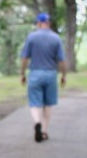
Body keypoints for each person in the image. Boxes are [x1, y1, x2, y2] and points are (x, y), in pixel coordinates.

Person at [20, 12, 67, 142]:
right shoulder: (56, 38)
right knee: (48, 104)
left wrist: (22, 74)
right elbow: (62, 61)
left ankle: (37, 122)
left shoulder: (31, 37)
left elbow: (24, 58)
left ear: (39, 23)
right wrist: (63, 75)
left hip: (35, 73)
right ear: (48, 23)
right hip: (51, 74)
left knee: (35, 102)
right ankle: (45, 131)